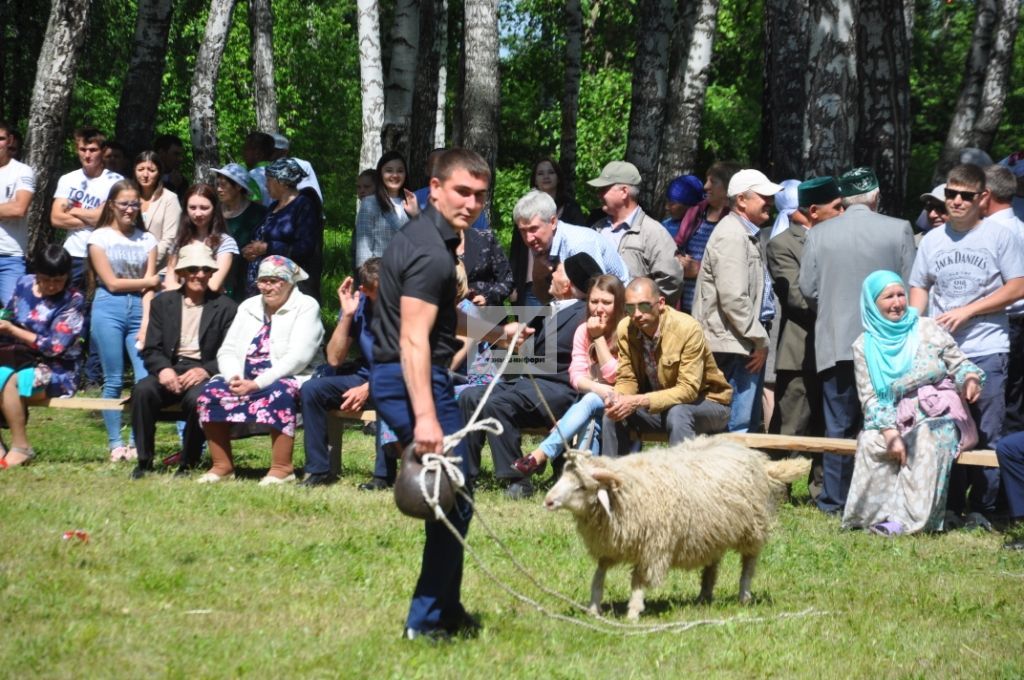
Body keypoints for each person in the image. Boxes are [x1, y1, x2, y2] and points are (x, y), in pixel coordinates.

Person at [370, 148, 490, 641]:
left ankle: (447, 606)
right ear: (434, 188)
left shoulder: (427, 241)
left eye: (480, 195)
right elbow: (413, 339)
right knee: (450, 494)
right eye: (462, 191)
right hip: (411, 379)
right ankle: (426, 621)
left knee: (455, 496)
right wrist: (425, 419)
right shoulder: (431, 253)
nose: (471, 203)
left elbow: (436, 318)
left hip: (404, 375)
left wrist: (497, 331)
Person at [909, 163, 1024, 524]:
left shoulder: (999, 236)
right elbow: (919, 285)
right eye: (951, 194)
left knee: (987, 428)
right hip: (943, 350)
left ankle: (984, 508)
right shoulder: (933, 240)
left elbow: (1017, 286)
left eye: (965, 196)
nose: (956, 202)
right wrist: (915, 327)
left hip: (987, 345)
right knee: (947, 426)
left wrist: (969, 310)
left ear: (982, 198)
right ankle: (951, 503)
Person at [799, 166, 917, 515]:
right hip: (887, 344)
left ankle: (835, 499)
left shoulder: (819, 234)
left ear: (843, 200)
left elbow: (808, 288)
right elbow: (908, 289)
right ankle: (886, 497)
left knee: (838, 423)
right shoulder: (899, 229)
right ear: (876, 197)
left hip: (837, 341)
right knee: (889, 420)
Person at [843, 271, 984, 536]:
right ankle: (872, 516)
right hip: (893, 415)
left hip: (939, 412)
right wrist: (890, 432)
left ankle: (906, 521)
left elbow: (959, 362)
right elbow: (870, 397)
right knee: (872, 440)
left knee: (926, 439)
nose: (897, 303)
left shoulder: (926, 327)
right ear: (872, 304)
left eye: (900, 295)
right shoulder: (864, 345)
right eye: (888, 297)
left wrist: (970, 378)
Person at [459, 254, 590, 499]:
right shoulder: (548, 309)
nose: (552, 274)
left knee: (496, 403)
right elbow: (529, 354)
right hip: (528, 383)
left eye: (558, 271)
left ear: (569, 284)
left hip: (558, 390)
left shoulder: (584, 315)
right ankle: (466, 474)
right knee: (470, 395)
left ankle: (518, 479)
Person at [195, 255, 324, 485]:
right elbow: (228, 349)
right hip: (245, 376)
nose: (267, 286)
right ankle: (222, 466)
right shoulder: (248, 306)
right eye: (263, 280)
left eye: (275, 281)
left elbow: (299, 357)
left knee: (280, 392)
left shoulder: (306, 306)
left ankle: (282, 468)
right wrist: (234, 377)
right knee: (210, 392)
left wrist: (257, 383)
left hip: (289, 374)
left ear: (290, 282)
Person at [129, 244, 237, 479]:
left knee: (198, 399)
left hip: (203, 370)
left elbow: (232, 352)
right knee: (142, 391)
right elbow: (151, 348)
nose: (199, 275)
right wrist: (163, 370)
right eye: (192, 269)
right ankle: (144, 461)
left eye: (205, 269)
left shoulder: (226, 307)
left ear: (211, 273)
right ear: (182, 272)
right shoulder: (163, 303)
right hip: (171, 366)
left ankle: (188, 461)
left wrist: (205, 370)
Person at [766, 177, 844, 500]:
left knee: (828, 422)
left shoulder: (842, 240)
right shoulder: (781, 244)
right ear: (814, 210)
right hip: (800, 348)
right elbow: (796, 297)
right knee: (791, 424)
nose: (843, 212)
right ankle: (775, 488)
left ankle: (822, 490)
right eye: (837, 207)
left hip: (836, 348)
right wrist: (845, 301)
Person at [602, 277, 732, 455]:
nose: (637, 314)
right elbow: (627, 378)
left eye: (644, 306)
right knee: (613, 415)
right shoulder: (626, 328)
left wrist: (639, 400)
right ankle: (613, 479)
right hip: (661, 407)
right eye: (630, 308)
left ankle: (680, 481)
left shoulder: (687, 329)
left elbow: (688, 390)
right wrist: (619, 398)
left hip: (708, 404)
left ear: (661, 303)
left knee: (678, 413)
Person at [692, 168, 780, 433]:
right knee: (736, 428)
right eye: (764, 196)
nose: (771, 202)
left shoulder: (742, 233)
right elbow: (733, 298)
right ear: (742, 200)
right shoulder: (732, 236)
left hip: (739, 342)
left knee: (743, 426)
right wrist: (760, 339)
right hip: (734, 346)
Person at [513, 272, 625, 476]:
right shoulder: (583, 330)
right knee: (592, 421)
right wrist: (598, 387)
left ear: (618, 304)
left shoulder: (626, 330)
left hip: (624, 400)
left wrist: (598, 338)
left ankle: (540, 455)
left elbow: (617, 377)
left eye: (606, 302)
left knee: (590, 402)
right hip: (593, 402)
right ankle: (584, 477)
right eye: (594, 301)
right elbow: (576, 375)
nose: (598, 308)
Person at [87, 180, 160, 461]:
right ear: (111, 206)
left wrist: (145, 322)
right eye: (124, 204)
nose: (129, 209)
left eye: (134, 203)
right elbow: (112, 283)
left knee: (144, 378)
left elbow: (150, 289)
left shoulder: (147, 239)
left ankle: (136, 441)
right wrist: (148, 281)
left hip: (140, 309)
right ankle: (115, 442)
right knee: (114, 378)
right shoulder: (99, 238)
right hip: (109, 307)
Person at [0, 245, 85, 469]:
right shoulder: (24, 283)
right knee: (3, 375)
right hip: (17, 357)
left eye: (58, 280)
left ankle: (21, 447)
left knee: (10, 381)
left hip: (57, 368)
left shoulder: (73, 300)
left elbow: (55, 347)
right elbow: (8, 313)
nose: (51, 286)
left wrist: (12, 330)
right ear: (36, 273)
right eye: (46, 279)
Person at [300, 258, 381, 488]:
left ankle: (382, 476)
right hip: (364, 375)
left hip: (398, 378)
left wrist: (369, 388)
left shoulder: (405, 304)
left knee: (387, 392)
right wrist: (346, 316)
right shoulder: (360, 303)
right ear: (364, 290)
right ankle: (318, 470)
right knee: (312, 390)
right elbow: (334, 359)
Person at [509, 190, 628, 306]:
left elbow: (599, 298)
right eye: (523, 231)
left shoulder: (579, 245)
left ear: (553, 222)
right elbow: (544, 300)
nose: (529, 238)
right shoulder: (540, 244)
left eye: (533, 229)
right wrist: (538, 278)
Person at [589, 161, 684, 306]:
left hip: (635, 325)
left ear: (624, 192)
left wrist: (644, 310)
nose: (598, 194)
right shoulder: (596, 230)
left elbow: (671, 280)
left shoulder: (653, 232)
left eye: (604, 189)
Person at [50, 126, 124, 290]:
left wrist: (74, 210)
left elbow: (107, 219)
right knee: (70, 306)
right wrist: (95, 216)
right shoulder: (68, 179)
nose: (87, 155)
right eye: (83, 149)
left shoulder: (116, 182)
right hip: (72, 254)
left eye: (92, 150)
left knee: (95, 307)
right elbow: (55, 218)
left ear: (103, 151)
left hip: (103, 255)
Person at [242, 158, 324, 301]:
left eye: (269, 180)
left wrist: (267, 247)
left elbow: (304, 248)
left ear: (282, 182)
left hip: (288, 285)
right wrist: (252, 250)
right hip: (264, 281)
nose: (266, 185)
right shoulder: (273, 207)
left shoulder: (304, 206)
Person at [674, 161, 741, 314]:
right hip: (685, 306)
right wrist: (678, 260)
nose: (706, 186)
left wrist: (700, 270)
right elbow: (676, 246)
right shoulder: (696, 212)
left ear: (728, 187)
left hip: (714, 310)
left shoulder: (734, 219)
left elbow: (735, 265)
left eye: (713, 182)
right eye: (706, 180)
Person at [164, 184, 239, 295]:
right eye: (192, 208)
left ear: (214, 209)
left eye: (204, 208)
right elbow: (170, 281)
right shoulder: (179, 241)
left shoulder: (225, 242)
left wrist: (181, 290)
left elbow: (213, 285)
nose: (197, 213)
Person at [211, 163, 267, 301]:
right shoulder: (213, 212)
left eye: (224, 185)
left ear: (238, 187)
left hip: (247, 276)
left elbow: (266, 241)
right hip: (217, 273)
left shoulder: (259, 213)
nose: (219, 189)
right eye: (217, 184)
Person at [354, 150, 419, 267]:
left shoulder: (411, 202)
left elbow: (424, 241)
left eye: (400, 171)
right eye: (389, 171)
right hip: (379, 276)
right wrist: (369, 279)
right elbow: (363, 250)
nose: (395, 175)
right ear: (381, 174)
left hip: (409, 274)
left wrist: (417, 215)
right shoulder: (369, 203)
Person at [0, 119, 34, 305]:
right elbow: (10, 208)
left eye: (1, 138)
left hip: (10, 257)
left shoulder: (22, 171)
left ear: (10, 140)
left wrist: (11, 207)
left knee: (13, 313)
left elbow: (19, 208)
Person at [133, 151, 180, 271]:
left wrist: (148, 265)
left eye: (151, 170)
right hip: (129, 266)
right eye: (141, 169)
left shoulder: (170, 199)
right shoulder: (128, 197)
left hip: (160, 269)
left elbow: (170, 238)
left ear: (159, 173)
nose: (145, 174)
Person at [530, 156, 587, 225]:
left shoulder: (571, 207)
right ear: (535, 180)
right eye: (540, 173)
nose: (546, 177)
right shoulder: (527, 207)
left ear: (558, 178)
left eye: (551, 172)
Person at [661, 174, 704, 240]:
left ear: (689, 205)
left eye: (672, 204)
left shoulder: (702, 229)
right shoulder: (664, 226)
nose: (666, 207)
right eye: (667, 202)